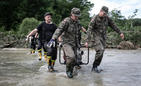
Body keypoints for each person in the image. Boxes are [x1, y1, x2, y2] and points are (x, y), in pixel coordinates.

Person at [85, 6, 124, 73]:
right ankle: (94, 67)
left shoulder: (107, 18)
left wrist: (120, 33)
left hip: (103, 38)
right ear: (100, 11)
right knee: (100, 50)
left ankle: (96, 66)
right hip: (96, 37)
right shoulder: (94, 19)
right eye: (103, 13)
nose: (104, 15)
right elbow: (89, 30)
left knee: (102, 52)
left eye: (105, 13)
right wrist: (87, 41)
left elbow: (113, 25)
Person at [48, 8, 85, 78]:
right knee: (71, 57)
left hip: (75, 43)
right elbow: (59, 29)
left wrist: (86, 32)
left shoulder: (78, 22)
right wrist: (53, 38)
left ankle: (72, 69)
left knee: (75, 59)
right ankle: (68, 71)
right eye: (75, 16)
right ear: (72, 14)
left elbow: (81, 28)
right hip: (67, 43)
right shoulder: (66, 21)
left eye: (78, 16)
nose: (77, 17)